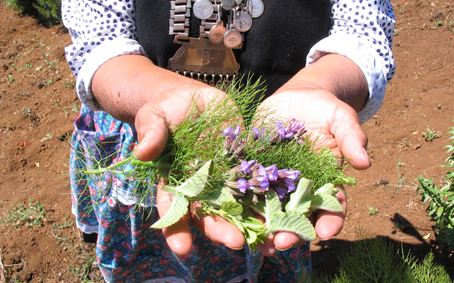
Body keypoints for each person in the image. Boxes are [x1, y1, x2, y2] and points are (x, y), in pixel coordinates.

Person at [62, 0, 396, 281]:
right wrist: (161, 92)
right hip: (150, 122)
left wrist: (322, 86)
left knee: (261, 236)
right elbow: (101, 43)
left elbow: (362, 35)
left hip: (272, 133)